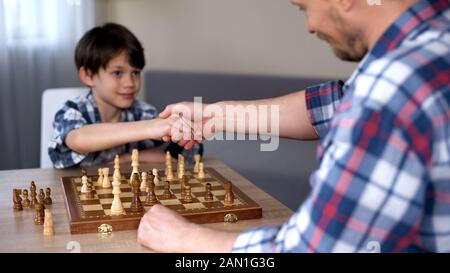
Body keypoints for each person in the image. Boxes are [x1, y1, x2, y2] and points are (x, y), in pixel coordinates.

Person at [137, 0, 450, 252]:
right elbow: (331, 106)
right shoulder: (432, 41)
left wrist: (185, 239)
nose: (310, 26)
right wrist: (214, 116)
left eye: (304, 9)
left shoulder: (391, 85)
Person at [48, 23, 201, 169]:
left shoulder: (144, 112)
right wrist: (150, 127)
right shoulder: (73, 110)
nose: (130, 83)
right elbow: (77, 139)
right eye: (117, 73)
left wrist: (129, 157)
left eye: (135, 73)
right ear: (88, 75)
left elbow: (182, 154)